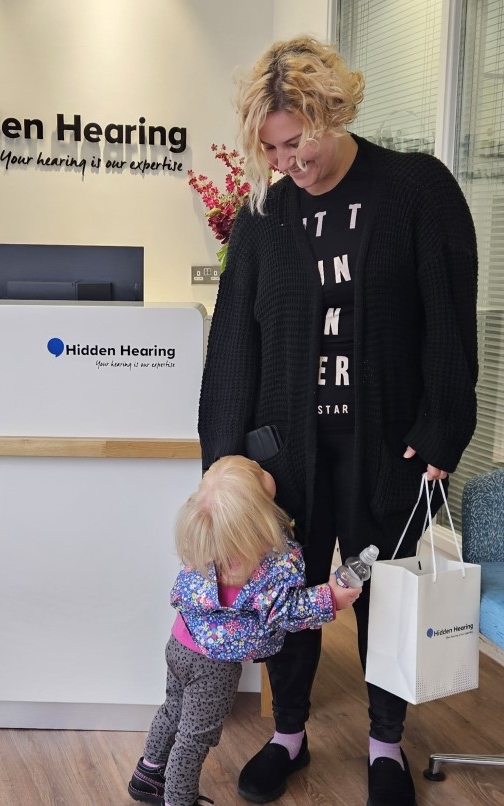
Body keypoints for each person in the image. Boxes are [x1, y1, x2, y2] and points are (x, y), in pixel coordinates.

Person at [197, 36, 478, 806]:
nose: (292, 162)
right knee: (286, 594)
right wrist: (222, 459)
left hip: (385, 445)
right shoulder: (262, 215)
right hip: (281, 453)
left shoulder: (415, 189)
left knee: (382, 592)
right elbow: (233, 344)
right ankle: (287, 737)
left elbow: (449, 322)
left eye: (301, 140)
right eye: (275, 148)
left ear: (334, 110)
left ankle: (384, 746)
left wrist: (444, 425)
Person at [127, 455, 360, 806]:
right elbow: (288, 610)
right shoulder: (262, 565)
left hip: (179, 643)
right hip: (213, 667)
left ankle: (147, 773)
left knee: (173, 708)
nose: (265, 467)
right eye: (259, 474)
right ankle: (178, 799)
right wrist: (332, 598)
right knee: (194, 738)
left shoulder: (206, 539)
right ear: (257, 518)